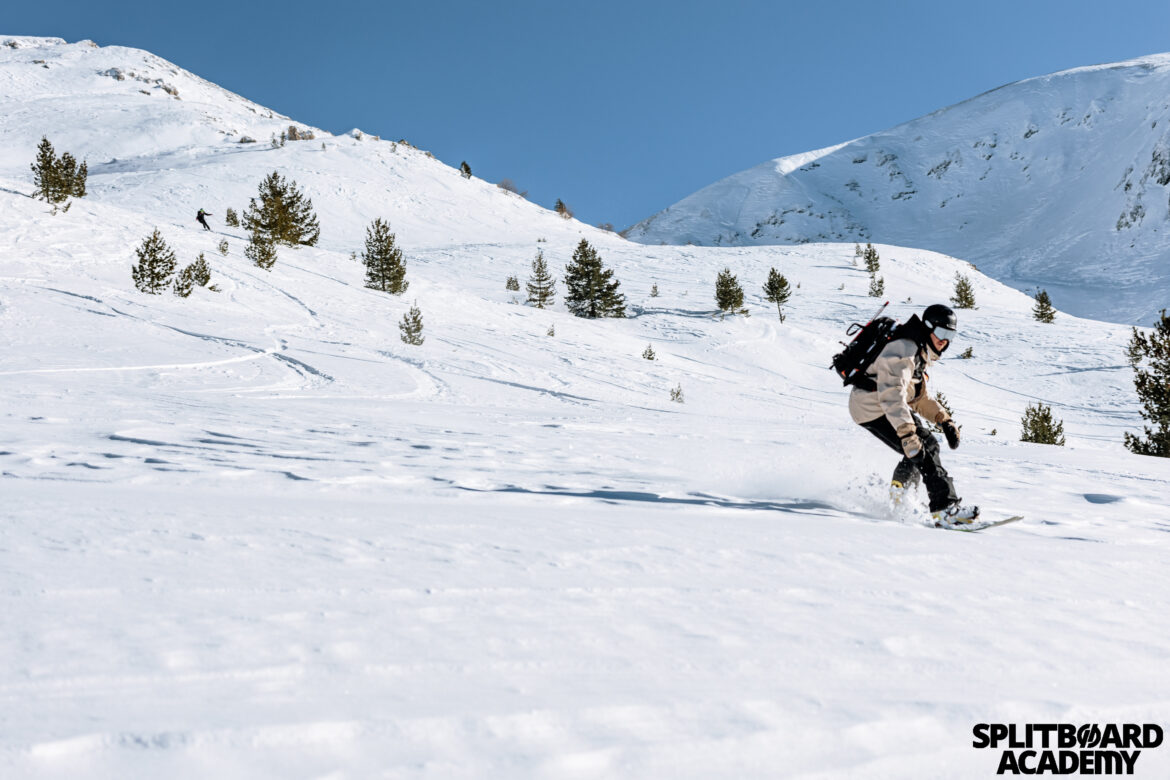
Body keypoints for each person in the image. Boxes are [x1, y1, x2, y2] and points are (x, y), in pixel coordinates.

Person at [848, 303, 978, 524]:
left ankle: (901, 494)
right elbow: (891, 395)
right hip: (871, 406)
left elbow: (917, 397)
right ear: (928, 328)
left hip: (880, 405)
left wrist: (943, 420)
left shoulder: (918, 350)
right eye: (941, 332)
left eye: (950, 335)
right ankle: (945, 509)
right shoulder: (904, 349)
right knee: (922, 446)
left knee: (927, 445)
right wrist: (907, 434)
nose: (944, 340)